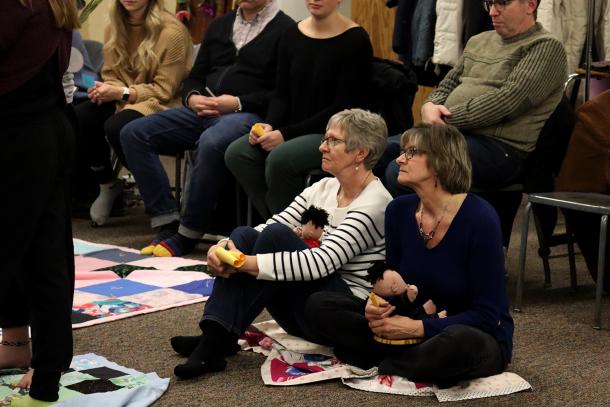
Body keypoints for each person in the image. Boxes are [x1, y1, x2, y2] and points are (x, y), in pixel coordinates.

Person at [169, 109, 392, 379]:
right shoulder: (322, 188)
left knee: (275, 237)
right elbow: (273, 224)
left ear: (361, 153)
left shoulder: (375, 203)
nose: (322, 146)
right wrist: (225, 247)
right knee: (245, 235)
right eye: (325, 138)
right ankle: (217, 337)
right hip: (302, 309)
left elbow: (321, 263)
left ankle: (215, 342)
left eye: (333, 141)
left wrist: (245, 263)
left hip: (336, 315)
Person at [306, 123, 514, 387]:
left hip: (465, 331)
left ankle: (379, 360)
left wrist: (419, 328)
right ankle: (403, 359)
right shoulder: (399, 211)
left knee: (459, 345)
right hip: (411, 321)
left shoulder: (480, 218)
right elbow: (396, 287)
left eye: (411, 152)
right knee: (320, 305)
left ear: (440, 161)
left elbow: (487, 315)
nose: (399, 159)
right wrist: (378, 305)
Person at [120, 0, 294, 257]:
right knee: (133, 133)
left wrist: (236, 103)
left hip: (247, 114)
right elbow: (195, 76)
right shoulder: (220, 25)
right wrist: (191, 97)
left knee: (212, 141)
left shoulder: (286, 30)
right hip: (202, 109)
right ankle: (167, 221)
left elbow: (282, 93)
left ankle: (188, 232)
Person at [385, 0, 567, 195]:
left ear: (530, 5)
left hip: (498, 148)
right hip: (450, 136)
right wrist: (429, 105)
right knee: (377, 150)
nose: (492, 12)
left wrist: (443, 118)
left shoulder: (545, 46)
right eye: (490, 4)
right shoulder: (478, 41)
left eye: (502, 4)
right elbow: (448, 84)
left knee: (403, 170)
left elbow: (507, 101)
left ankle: (426, 225)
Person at [225, 0, 373, 220]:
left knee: (280, 160)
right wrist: (270, 125)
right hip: (290, 129)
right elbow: (281, 93)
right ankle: (279, 221)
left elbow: (343, 107)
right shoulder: (292, 34)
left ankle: (288, 231)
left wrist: (286, 134)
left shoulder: (355, 40)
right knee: (238, 153)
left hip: (334, 134)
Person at [1, 0, 79, 404]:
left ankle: (44, 365)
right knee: (44, 255)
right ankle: (46, 372)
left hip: (17, 138)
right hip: (45, 128)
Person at [74, 0, 192, 226]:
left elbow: (164, 90)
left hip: (161, 103)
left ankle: (160, 201)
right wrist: (106, 89)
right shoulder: (115, 26)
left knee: (119, 126)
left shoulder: (172, 33)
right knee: (82, 116)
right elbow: (110, 74)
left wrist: (121, 91)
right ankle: (107, 183)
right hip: (123, 98)